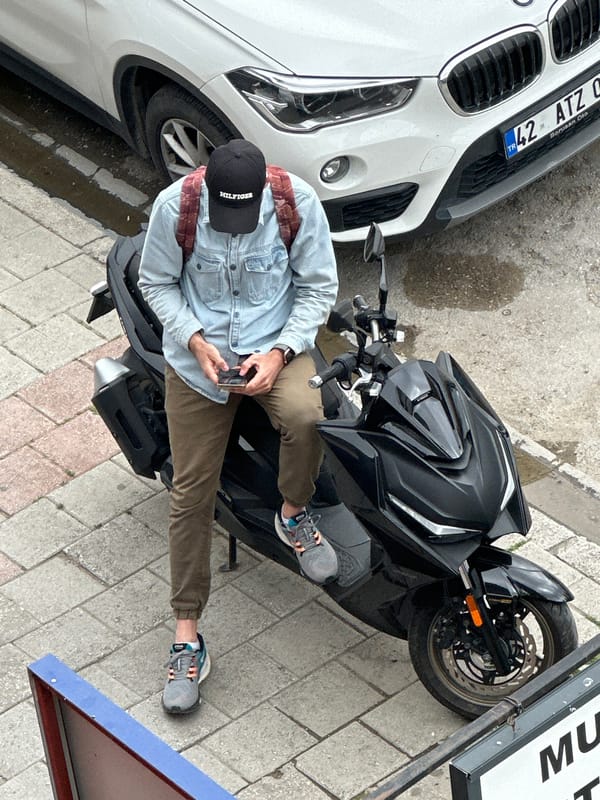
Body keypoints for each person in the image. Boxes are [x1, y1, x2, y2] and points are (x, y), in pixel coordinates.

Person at [138, 139, 339, 714]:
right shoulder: (174, 208)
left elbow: (318, 287)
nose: (230, 228)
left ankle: (292, 515)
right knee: (189, 494)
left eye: (241, 216)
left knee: (308, 418)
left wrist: (279, 352)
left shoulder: (295, 205)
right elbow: (156, 283)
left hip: (275, 347)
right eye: (222, 217)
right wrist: (196, 343)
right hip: (198, 365)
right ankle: (186, 637)